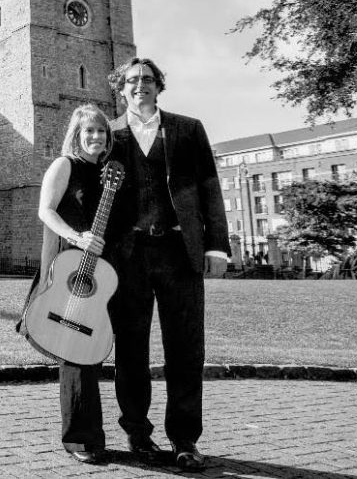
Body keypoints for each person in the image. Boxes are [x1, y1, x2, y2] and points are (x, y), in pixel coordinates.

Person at [106, 57, 230, 472]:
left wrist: (217, 247)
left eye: (147, 79)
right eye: (131, 80)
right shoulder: (109, 134)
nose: (139, 85)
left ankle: (185, 439)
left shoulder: (188, 129)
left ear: (159, 86)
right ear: (120, 89)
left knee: (186, 349)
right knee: (131, 349)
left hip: (180, 252)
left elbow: (210, 186)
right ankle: (138, 435)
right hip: (128, 257)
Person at [27, 104, 114, 465]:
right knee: (75, 352)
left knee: (90, 350)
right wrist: (77, 238)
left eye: (101, 132)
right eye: (88, 131)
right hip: (68, 265)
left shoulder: (109, 176)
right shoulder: (65, 165)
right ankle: (79, 438)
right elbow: (45, 210)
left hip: (101, 270)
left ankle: (93, 433)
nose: (95, 137)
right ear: (76, 136)